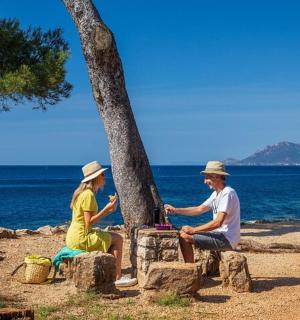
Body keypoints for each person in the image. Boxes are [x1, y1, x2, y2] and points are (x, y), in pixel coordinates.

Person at [66, 160, 137, 287]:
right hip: (81, 238)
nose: (104, 177)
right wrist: (107, 210)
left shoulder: (82, 192)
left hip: (73, 236)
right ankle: (117, 276)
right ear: (96, 177)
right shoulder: (88, 195)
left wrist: (108, 210)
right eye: (102, 175)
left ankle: (110, 273)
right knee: (118, 239)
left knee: (109, 237)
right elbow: (89, 222)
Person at [164, 161, 240, 263]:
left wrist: (194, 230)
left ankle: (191, 270)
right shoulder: (216, 194)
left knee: (184, 236)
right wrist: (175, 210)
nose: (205, 181)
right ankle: (191, 268)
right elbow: (198, 209)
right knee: (183, 231)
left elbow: (218, 222)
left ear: (216, 176)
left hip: (227, 240)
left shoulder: (227, 193)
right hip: (220, 235)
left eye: (207, 177)